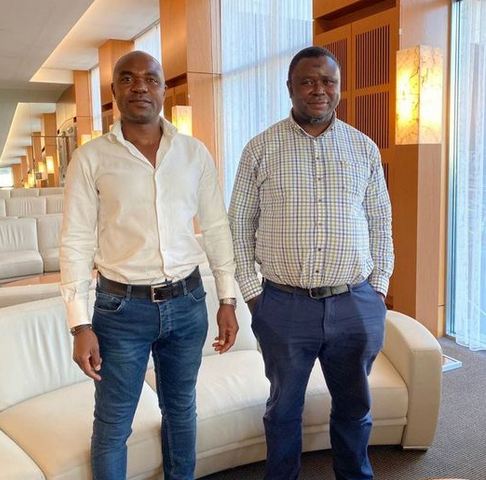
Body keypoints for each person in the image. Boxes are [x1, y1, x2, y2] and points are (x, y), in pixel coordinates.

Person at [60, 50, 238, 480]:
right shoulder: (90, 158)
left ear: (163, 89)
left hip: (188, 302)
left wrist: (227, 299)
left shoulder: (193, 153)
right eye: (128, 78)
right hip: (121, 311)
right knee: (113, 424)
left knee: (181, 409)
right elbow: (76, 241)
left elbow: (216, 227)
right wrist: (80, 324)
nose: (139, 86)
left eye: (150, 79)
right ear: (114, 91)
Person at [229, 46, 394, 480]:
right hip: (284, 306)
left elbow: (381, 222)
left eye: (328, 81)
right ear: (290, 87)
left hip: (354, 303)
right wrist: (255, 296)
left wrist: (378, 289)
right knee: (283, 409)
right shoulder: (260, 149)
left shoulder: (363, 148)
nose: (318, 90)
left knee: (355, 407)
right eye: (307, 81)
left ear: (339, 87)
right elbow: (238, 226)